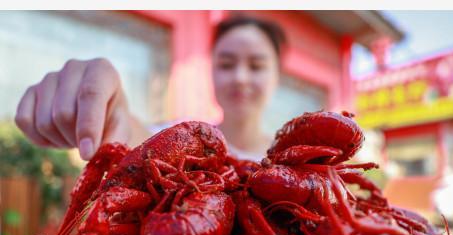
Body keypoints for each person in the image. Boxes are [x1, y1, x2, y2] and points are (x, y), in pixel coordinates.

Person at [14, 16, 286, 161]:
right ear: (211, 72)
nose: (240, 77)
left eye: (256, 65)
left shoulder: (297, 158)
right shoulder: (185, 137)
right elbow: (135, 136)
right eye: (226, 64)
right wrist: (108, 111)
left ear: (277, 76)